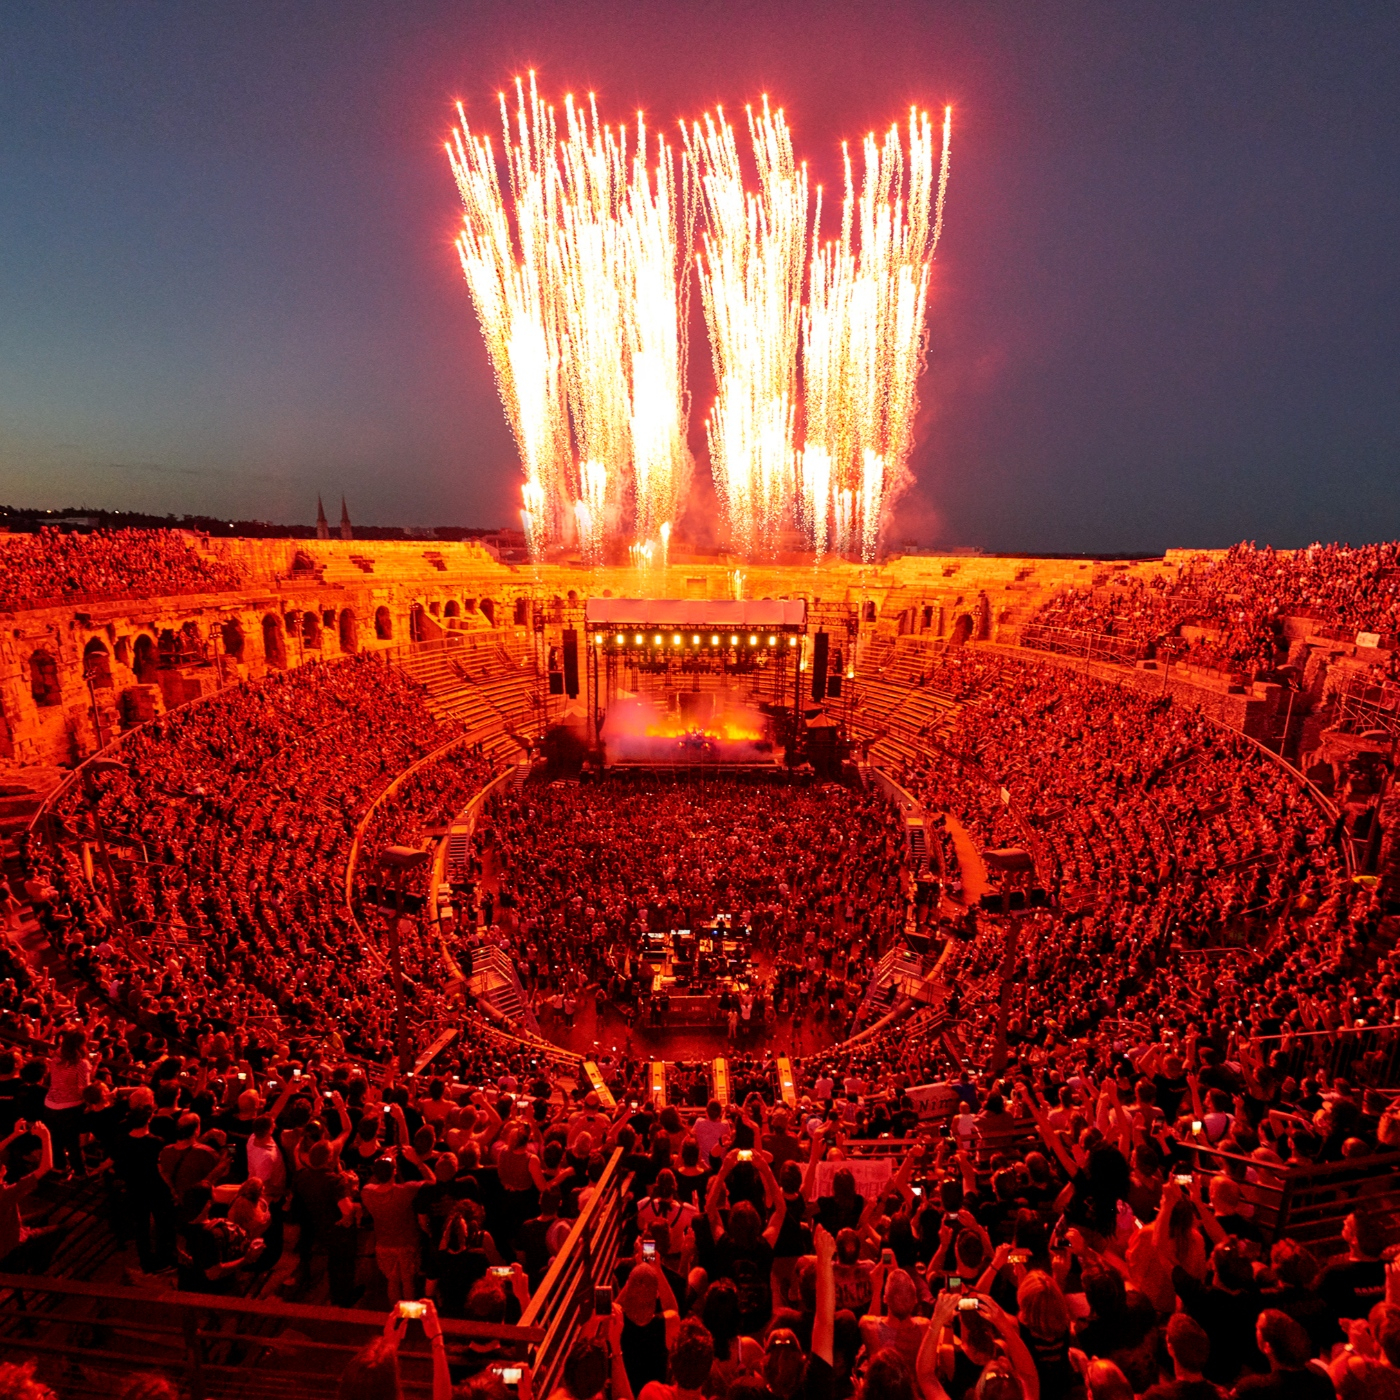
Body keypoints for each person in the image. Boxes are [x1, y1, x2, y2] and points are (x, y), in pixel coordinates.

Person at [1233, 1310, 1334, 1399]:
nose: (1255, 1328)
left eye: (1258, 1328)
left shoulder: (1252, 1388)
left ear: (1267, 1346)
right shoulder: (1320, 1375)